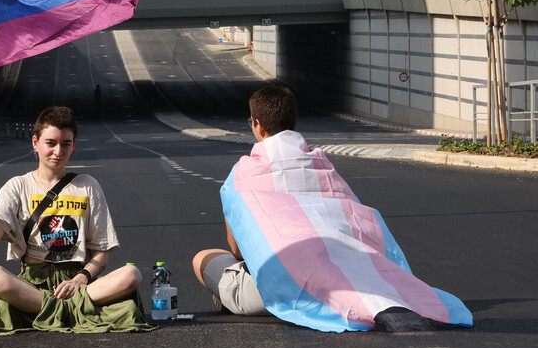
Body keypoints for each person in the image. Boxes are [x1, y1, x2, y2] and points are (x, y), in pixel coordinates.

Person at [191, 86, 472, 332]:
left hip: (275, 293)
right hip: (342, 282)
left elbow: (239, 250)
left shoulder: (242, 175)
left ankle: (231, 297)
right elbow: (356, 223)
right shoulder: (322, 166)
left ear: (259, 126)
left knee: (203, 257)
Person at [0, 106, 155, 336]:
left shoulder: (88, 185)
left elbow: (101, 253)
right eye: (51, 143)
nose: (58, 151)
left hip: (79, 283)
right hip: (33, 286)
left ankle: (52, 310)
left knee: (132, 275)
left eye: (66, 144)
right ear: (35, 142)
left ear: (74, 145)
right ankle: (74, 311)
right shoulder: (17, 186)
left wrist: (81, 278)